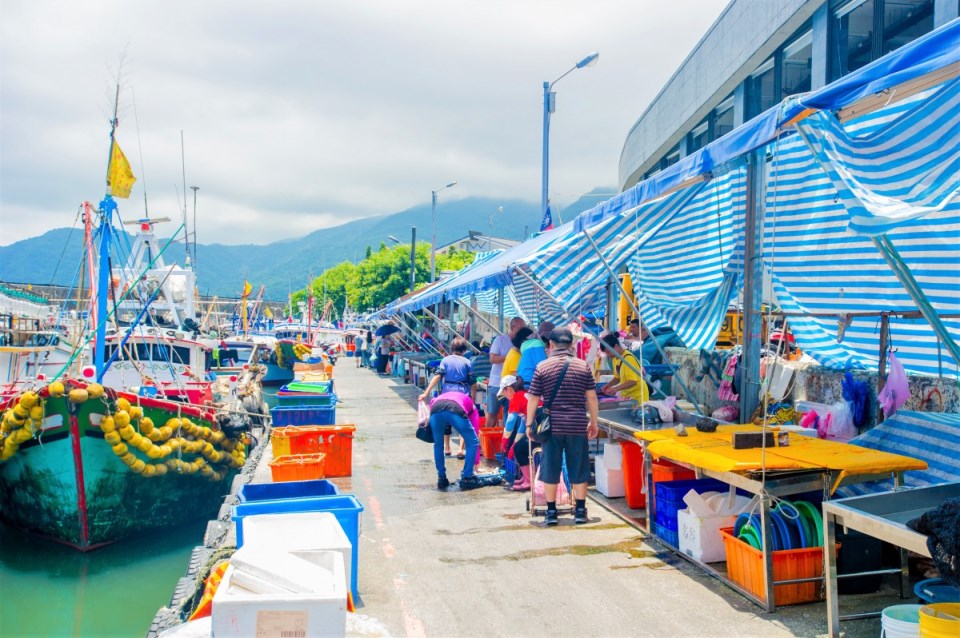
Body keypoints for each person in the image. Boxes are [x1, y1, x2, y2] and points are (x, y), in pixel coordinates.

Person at [525, 327, 598, 526]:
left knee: (550, 467)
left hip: (552, 426)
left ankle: (550, 513)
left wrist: (529, 424)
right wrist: (594, 421)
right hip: (576, 424)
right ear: (571, 345)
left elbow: (533, 399)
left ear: (550, 345)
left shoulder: (543, 367)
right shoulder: (583, 367)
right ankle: (581, 511)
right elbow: (591, 396)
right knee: (579, 466)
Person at [427, 391, 483, 491]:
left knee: (438, 445)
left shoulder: (442, 396)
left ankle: (441, 478)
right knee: (473, 442)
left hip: (435, 410)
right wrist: (476, 461)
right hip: (455, 409)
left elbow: (431, 403)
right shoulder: (471, 406)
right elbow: (475, 433)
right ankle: (467, 478)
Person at [485, 317, 526, 428]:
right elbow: (492, 359)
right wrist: (509, 356)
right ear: (512, 328)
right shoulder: (500, 340)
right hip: (497, 385)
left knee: (509, 416)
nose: (523, 331)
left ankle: (505, 443)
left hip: (512, 387)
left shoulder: (523, 343)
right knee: (492, 415)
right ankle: (485, 444)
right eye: (521, 328)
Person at [497, 374, 533, 491]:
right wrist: (514, 443)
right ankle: (527, 478)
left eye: (504, 393)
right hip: (536, 427)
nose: (505, 397)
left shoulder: (516, 397)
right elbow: (523, 424)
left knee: (520, 449)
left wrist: (505, 440)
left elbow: (511, 421)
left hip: (540, 428)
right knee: (518, 447)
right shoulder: (524, 394)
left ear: (508, 389)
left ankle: (529, 481)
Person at [599, 332, 649, 403]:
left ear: (616, 346)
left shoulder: (628, 359)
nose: (608, 355)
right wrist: (607, 385)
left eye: (608, 352)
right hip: (627, 396)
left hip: (638, 396)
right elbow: (618, 377)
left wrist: (616, 389)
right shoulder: (615, 358)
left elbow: (633, 381)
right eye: (606, 353)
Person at [516, 321, 553, 388]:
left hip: (523, 381)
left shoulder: (529, 343)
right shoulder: (537, 344)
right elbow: (542, 366)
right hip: (530, 382)